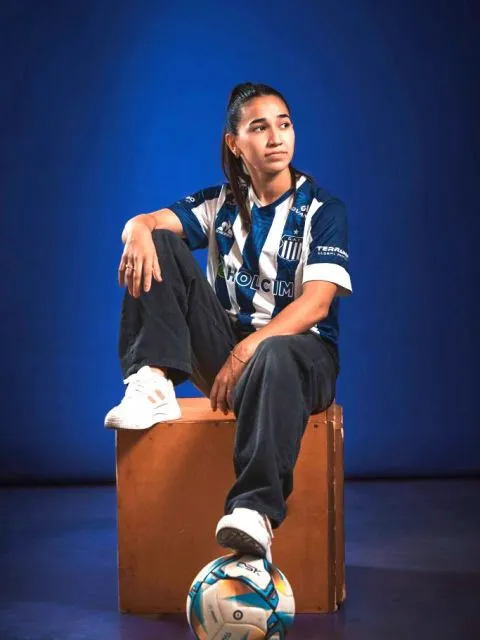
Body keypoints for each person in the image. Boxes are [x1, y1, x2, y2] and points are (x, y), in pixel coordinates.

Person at [105, 82, 352, 563]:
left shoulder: (323, 210)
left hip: (302, 358)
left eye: (284, 124)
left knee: (276, 350)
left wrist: (248, 349)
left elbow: (318, 304)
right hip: (228, 359)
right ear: (234, 143)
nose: (276, 138)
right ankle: (152, 380)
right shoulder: (219, 205)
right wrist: (136, 228)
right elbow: (149, 223)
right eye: (259, 128)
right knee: (159, 241)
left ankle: (254, 511)